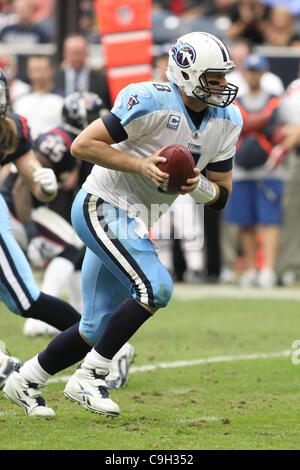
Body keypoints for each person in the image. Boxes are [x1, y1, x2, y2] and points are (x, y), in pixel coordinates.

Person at [3, 32, 243, 418]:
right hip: (103, 203)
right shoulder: (149, 99)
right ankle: (91, 376)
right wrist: (141, 164)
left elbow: (222, 196)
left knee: (94, 327)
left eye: (223, 76)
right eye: (213, 77)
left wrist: (196, 185)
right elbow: (82, 145)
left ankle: (25, 380)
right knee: (157, 287)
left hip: (136, 217)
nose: (222, 85)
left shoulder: (227, 119)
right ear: (187, 73)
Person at [0, 70, 81, 395]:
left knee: (25, 299)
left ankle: (102, 346)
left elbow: (31, 177)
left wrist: (44, 185)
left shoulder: (12, 129)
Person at [225, 53, 285, 288]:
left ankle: (268, 268)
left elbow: (286, 128)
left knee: (270, 220)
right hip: (241, 169)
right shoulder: (233, 102)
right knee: (245, 221)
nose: (253, 75)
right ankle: (251, 268)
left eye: (257, 71)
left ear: (264, 73)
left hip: (268, 169)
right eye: (250, 71)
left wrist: (277, 145)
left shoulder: (276, 100)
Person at [13, 55, 64, 139]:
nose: (39, 75)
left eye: (42, 70)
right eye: (35, 70)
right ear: (28, 73)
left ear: (52, 71)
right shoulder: (19, 101)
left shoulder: (62, 100)